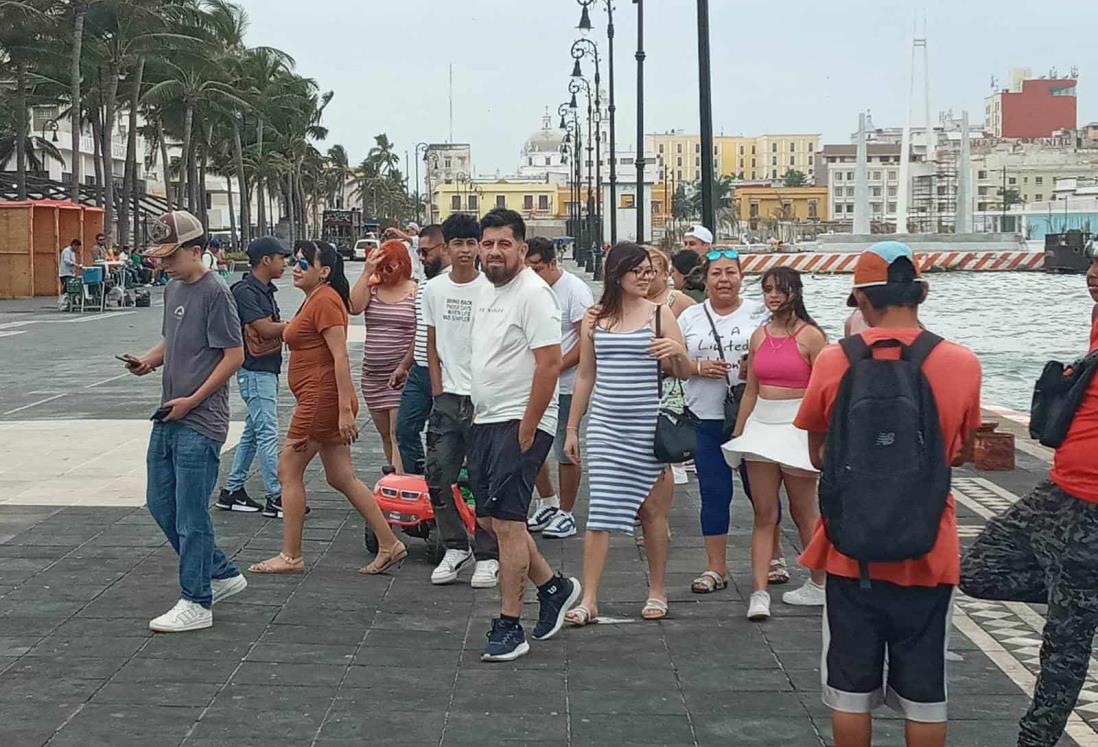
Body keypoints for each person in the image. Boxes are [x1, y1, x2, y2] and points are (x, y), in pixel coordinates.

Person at [795, 241, 981, 747]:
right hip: (929, 547)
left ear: (861, 300)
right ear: (922, 292)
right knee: (925, 693)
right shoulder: (962, 363)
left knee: (850, 690)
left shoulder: (835, 360)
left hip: (849, 549)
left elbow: (818, 455)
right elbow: (958, 452)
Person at [960, 251, 1098, 747]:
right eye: (1093, 267)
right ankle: (1080, 599)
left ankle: (1035, 739)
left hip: (1093, 507)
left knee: (1065, 643)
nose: (1093, 276)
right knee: (978, 569)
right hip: (1060, 490)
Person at [121, 210, 246, 632]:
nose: (164, 263)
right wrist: (148, 360)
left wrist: (193, 399)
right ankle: (222, 573)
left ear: (198, 251)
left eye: (171, 256)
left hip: (200, 418)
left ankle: (197, 600)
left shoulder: (216, 292)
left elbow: (235, 354)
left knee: (192, 515)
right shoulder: (175, 287)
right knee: (160, 504)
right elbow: (171, 340)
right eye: (161, 256)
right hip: (169, 411)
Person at [249, 241, 405, 575]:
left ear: (324, 272)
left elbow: (340, 355)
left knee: (288, 470)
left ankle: (291, 555)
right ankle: (390, 543)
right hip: (319, 397)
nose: (296, 267)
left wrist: (345, 409)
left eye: (304, 263)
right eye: (295, 261)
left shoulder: (326, 301)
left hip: (320, 399)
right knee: (341, 476)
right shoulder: (315, 299)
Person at [468, 208, 580, 662]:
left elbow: (550, 363)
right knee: (493, 519)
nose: (495, 251)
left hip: (521, 420)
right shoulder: (485, 289)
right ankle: (553, 589)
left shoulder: (534, 294)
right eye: (488, 243)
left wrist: (531, 425)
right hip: (486, 418)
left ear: (522, 248)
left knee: (511, 522)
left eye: (504, 244)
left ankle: (510, 624)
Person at [562, 244, 691, 625]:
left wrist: (676, 352)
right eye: (638, 271)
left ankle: (657, 590)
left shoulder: (659, 314)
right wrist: (572, 428)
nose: (646, 277)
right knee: (599, 511)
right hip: (605, 424)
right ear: (617, 273)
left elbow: (682, 373)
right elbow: (585, 375)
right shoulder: (595, 317)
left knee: (653, 511)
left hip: (647, 425)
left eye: (650, 271)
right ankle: (589, 598)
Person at [724, 267, 828, 621]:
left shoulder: (812, 337)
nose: (772, 296)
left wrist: (822, 439)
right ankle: (758, 592)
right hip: (762, 426)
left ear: (795, 292)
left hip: (798, 426)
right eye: (767, 289)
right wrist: (739, 434)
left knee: (805, 512)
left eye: (779, 290)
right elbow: (751, 389)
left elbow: (823, 392)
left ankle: (819, 582)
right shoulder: (758, 335)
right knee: (763, 513)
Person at [677, 249, 770, 594]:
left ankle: (772, 556)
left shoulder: (759, 314)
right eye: (717, 274)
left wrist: (753, 366)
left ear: (741, 277)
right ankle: (715, 567)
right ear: (706, 279)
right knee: (713, 493)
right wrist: (698, 367)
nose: (724, 280)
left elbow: (779, 356)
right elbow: (671, 361)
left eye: (731, 273)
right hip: (705, 414)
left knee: (760, 493)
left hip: (750, 417)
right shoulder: (690, 317)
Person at [423, 213, 498, 587]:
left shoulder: (491, 288)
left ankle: (488, 552)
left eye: (472, 243)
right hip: (448, 399)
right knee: (438, 477)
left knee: (484, 479)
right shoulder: (434, 290)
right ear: (447, 248)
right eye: (458, 244)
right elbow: (432, 343)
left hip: (485, 398)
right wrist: (438, 392)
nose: (466, 251)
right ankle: (455, 545)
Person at [216, 237, 292, 516]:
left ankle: (232, 490)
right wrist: (298, 326)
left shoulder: (264, 290)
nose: (285, 263)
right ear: (265, 260)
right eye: (280, 257)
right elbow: (264, 329)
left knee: (252, 432)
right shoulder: (246, 291)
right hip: (255, 369)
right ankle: (276, 495)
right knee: (267, 432)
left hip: (265, 368)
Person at [525, 237, 595, 540]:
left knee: (566, 449)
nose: (533, 274)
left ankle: (567, 512)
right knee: (531, 444)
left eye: (538, 268)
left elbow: (586, 342)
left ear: (554, 264)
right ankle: (549, 500)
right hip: (534, 381)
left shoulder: (575, 292)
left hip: (566, 385)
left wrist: (557, 366)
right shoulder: (527, 288)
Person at [350, 239, 417, 473]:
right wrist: (367, 272)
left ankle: (398, 483)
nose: (385, 273)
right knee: (385, 436)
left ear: (403, 264)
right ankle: (396, 475)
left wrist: (405, 364)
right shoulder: (374, 287)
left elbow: (420, 334)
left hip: (400, 375)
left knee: (396, 432)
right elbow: (354, 307)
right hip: (372, 376)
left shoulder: (415, 291)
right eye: (382, 268)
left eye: (390, 267)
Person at [394, 224, 447, 475]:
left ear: (443, 247)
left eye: (426, 252)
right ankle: (418, 482)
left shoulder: (453, 283)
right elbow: (422, 330)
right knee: (405, 428)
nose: (422, 258)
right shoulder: (425, 283)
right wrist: (405, 364)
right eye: (420, 253)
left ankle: (443, 490)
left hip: (446, 372)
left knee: (441, 437)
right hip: (419, 369)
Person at [58, 238, 81, 309]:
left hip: (71, 273)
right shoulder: (66, 251)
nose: (78, 249)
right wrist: (76, 265)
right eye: (77, 247)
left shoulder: (73, 253)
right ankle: (61, 303)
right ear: (74, 245)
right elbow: (67, 261)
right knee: (66, 289)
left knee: (71, 289)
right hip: (65, 273)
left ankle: (69, 304)